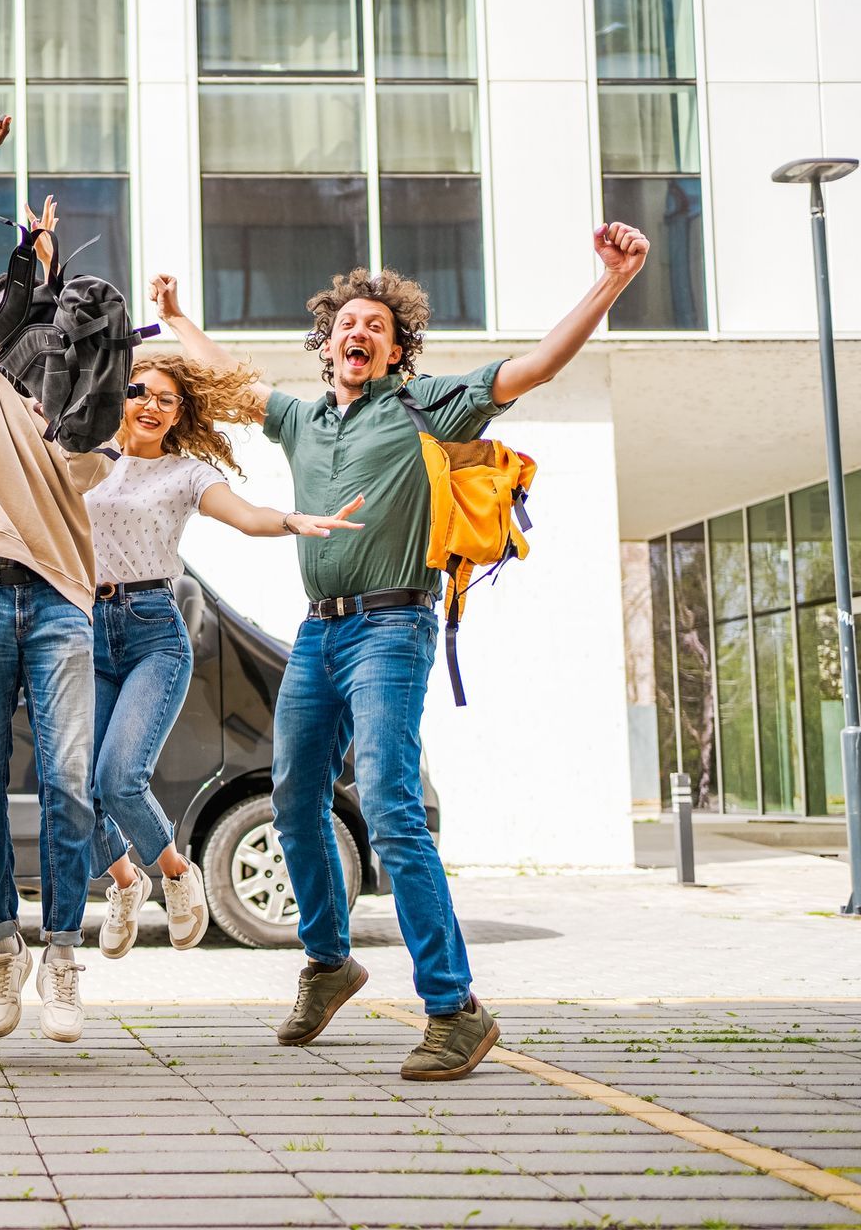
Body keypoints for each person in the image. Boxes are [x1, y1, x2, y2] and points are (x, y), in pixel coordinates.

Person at [160, 225, 649, 1080]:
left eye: (377, 326)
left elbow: (535, 366)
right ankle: (328, 961)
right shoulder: (304, 421)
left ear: (395, 348)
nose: (360, 331)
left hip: (394, 626)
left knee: (387, 800)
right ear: (328, 342)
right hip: (319, 628)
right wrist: (174, 315)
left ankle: (455, 1008)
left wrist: (610, 282)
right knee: (292, 795)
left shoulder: (431, 406)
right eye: (347, 322)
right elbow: (233, 385)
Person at [91, 271, 363, 961]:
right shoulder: (82, 460)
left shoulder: (187, 474)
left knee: (119, 776)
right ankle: (126, 883)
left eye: (168, 400)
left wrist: (290, 520)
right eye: (140, 392)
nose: (152, 406)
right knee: (75, 786)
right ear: (116, 396)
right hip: (81, 630)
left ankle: (176, 877)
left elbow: (244, 517)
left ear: (181, 415)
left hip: (154, 630)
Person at [0, 97, 118, 1044]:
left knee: (72, 785)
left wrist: (77, 329)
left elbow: (96, 413)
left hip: (56, 602)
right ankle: (2, 946)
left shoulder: (84, 413)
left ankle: (61, 954)